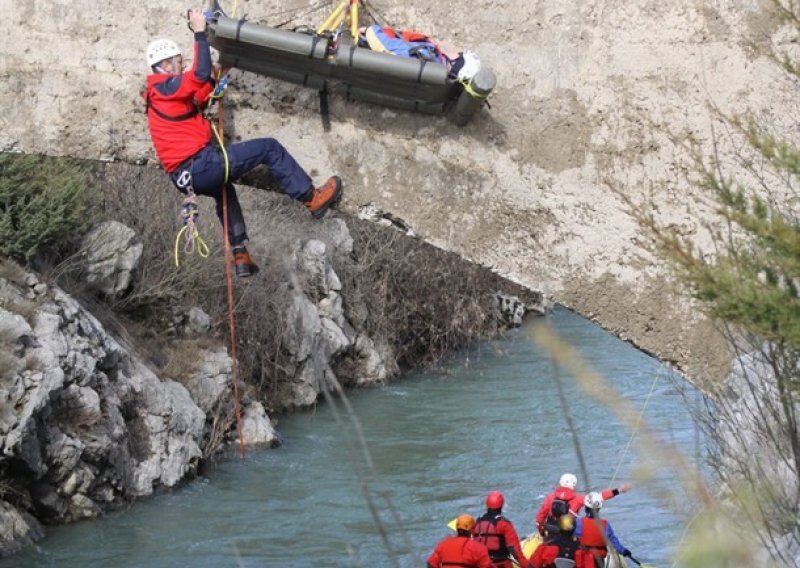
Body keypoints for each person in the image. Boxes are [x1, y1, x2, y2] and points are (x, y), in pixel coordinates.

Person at [143, 9, 342, 278]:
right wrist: (200, 32)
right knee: (269, 148)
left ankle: (240, 254)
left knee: (225, 192)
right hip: (200, 166)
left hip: (186, 177)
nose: (181, 66)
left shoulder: (165, 94)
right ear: (166, 65)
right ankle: (312, 199)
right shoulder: (164, 86)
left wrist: (217, 75)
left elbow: (200, 89)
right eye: (178, 62)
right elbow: (198, 76)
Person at [357, 24, 482, 82]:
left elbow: (385, 47)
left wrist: (370, 30)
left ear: (455, 63)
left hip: (366, 47)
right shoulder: (435, 69)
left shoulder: (425, 56)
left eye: (459, 54)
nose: (456, 51)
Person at [535, 473, 632, 535]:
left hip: (552, 531)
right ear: (573, 485)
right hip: (569, 533)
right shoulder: (578, 499)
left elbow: (540, 518)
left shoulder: (550, 497)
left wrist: (542, 532)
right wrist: (619, 490)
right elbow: (599, 497)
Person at [472, 491, 533, 568]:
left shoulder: (478, 521)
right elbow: (514, 549)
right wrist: (527, 566)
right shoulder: (504, 524)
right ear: (502, 505)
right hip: (501, 564)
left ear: (487, 504)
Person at [574, 492, 633, 568]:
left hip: (581, 560)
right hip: (598, 561)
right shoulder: (605, 525)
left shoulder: (578, 522)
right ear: (598, 509)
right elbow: (614, 542)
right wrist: (624, 551)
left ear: (585, 507)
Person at [428, 513, 493, 568]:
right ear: (472, 529)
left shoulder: (443, 544)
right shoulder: (478, 548)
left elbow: (431, 563)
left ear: (457, 528)